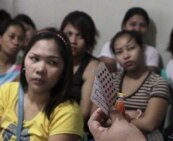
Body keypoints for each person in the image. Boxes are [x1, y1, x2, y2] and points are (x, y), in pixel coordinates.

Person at [0, 29, 83, 140]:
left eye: (52, 62)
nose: (40, 69)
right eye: (34, 59)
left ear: (64, 71)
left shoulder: (67, 112)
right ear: (24, 60)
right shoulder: (7, 92)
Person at [109, 30, 170, 141]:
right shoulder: (112, 80)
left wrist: (117, 117)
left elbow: (149, 124)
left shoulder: (157, 82)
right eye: (119, 52)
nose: (126, 55)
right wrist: (133, 115)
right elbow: (98, 117)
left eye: (131, 48)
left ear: (142, 48)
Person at [60, 10, 99, 140]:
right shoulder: (54, 59)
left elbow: (84, 112)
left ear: (88, 39)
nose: (73, 40)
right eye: (69, 34)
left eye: (80, 36)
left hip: (74, 128)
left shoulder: (92, 65)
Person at [99, 7, 160, 73]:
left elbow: (150, 78)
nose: (137, 29)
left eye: (142, 25)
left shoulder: (151, 52)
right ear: (124, 26)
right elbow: (103, 72)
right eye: (133, 24)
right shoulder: (110, 45)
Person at [0, 19, 25, 86]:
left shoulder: (22, 70)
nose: (16, 42)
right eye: (11, 37)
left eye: (21, 39)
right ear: (0, 38)